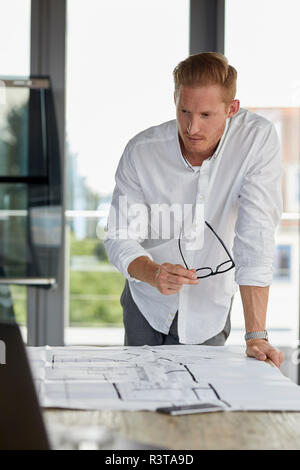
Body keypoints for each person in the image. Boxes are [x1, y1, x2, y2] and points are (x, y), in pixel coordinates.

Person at [104, 52, 284, 368]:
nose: (192, 127)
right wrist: (152, 272)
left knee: (201, 407)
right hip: (145, 302)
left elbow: (255, 238)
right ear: (175, 98)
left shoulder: (256, 141)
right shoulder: (141, 151)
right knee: (141, 404)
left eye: (205, 114)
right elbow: (118, 237)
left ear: (232, 109)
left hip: (209, 310)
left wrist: (256, 334)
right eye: (184, 111)